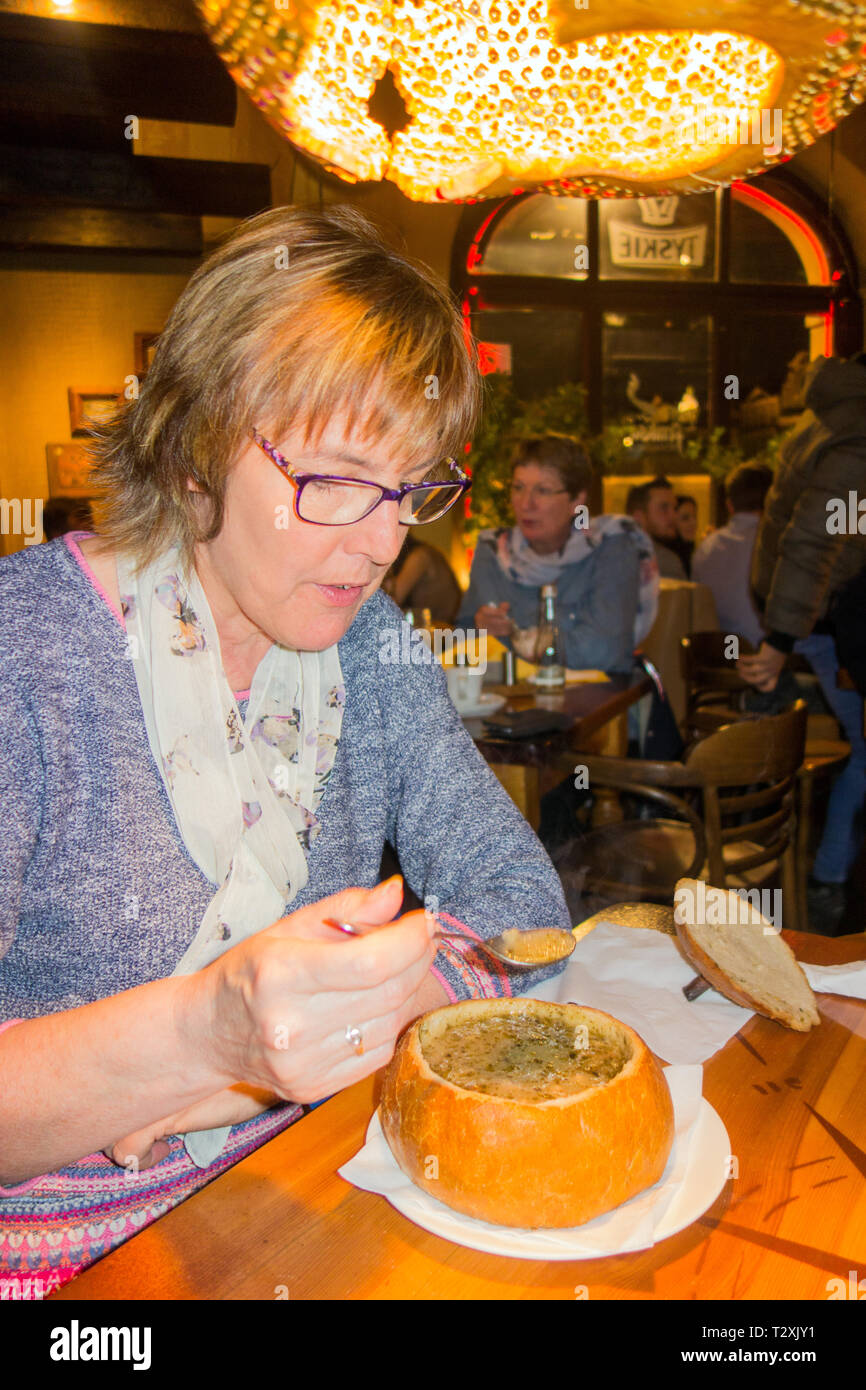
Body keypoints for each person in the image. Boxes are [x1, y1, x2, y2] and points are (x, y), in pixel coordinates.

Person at [0, 205, 570, 1290]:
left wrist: (359, 1018)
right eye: (335, 478)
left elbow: (522, 904)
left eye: (408, 489)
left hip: (319, 1195)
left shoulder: (374, 643)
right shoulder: (23, 653)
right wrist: (209, 1036)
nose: (378, 541)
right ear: (195, 439)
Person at [738, 354, 866, 930]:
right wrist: (781, 638)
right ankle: (828, 883)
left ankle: (826, 880)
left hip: (817, 619)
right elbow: (814, 541)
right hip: (831, 622)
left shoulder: (825, 419)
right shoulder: (856, 433)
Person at [458, 434, 659, 675]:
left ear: (577, 500)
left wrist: (522, 639)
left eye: (542, 490)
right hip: (508, 702)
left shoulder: (611, 546)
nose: (526, 504)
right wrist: (478, 628)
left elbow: (605, 650)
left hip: (597, 703)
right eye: (518, 488)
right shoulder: (493, 550)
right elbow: (461, 644)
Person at [692, 463, 773, 648]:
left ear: (729, 505)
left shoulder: (707, 547)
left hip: (724, 656)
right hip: (773, 660)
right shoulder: (777, 543)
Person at [382, 533, 461, 623]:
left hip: (442, 629)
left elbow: (390, 601)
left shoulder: (420, 557)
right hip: (427, 627)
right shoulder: (420, 553)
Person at [625, 476, 688, 580]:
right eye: (664, 508)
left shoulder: (608, 555)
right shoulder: (666, 562)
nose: (674, 515)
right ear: (638, 517)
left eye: (674, 508)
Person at [670, 493, 698, 577]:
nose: (694, 523)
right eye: (685, 518)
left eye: (695, 517)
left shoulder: (690, 553)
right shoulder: (670, 560)